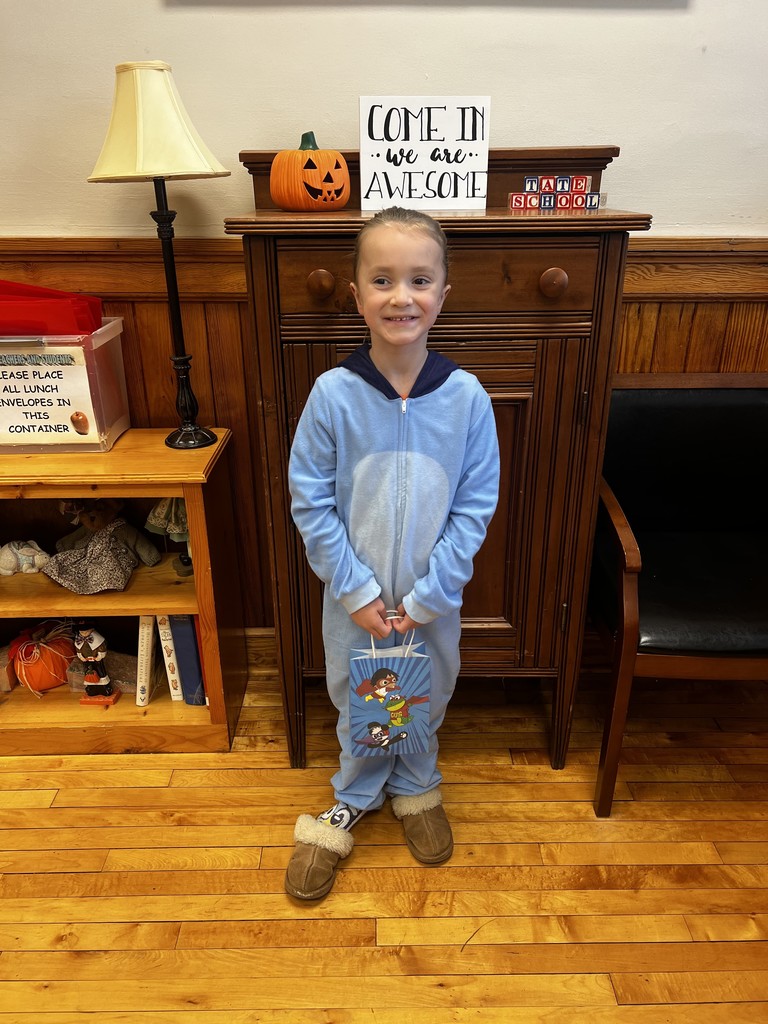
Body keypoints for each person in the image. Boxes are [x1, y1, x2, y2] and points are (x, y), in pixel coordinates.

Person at [285, 206, 500, 900]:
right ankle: (353, 794)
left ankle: (417, 784)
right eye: (381, 280)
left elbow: (475, 505)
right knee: (359, 696)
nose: (400, 296)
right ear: (356, 295)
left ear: (443, 292)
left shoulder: (467, 399)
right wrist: (356, 592)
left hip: (431, 600)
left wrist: (431, 594)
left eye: (417, 279)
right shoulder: (333, 396)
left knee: (426, 691)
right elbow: (310, 500)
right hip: (358, 601)